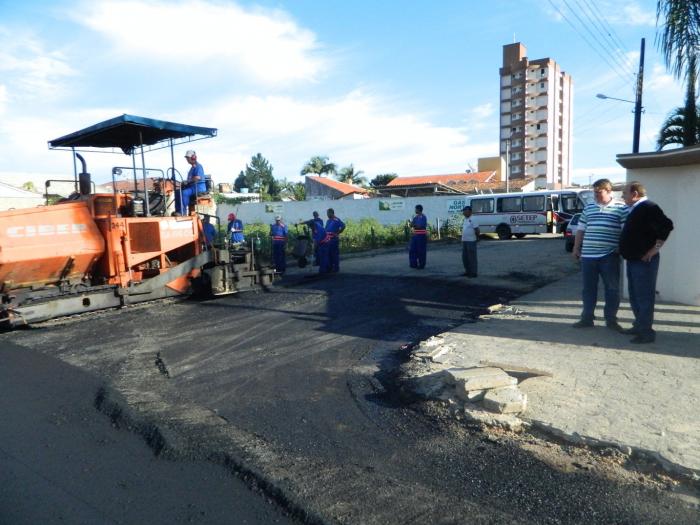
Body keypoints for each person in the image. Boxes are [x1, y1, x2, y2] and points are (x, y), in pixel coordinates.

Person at [619, 182, 674, 344]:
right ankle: (639, 325)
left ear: (635, 194)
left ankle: (647, 333)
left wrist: (654, 249)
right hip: (633, 259)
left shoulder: (649, 207)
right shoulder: (636, 208)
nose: (622, 197)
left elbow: (667, 226)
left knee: (644, 296)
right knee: (635, 295)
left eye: (624, 193)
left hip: (644, 262)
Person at [572, 178, 628, 330]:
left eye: (599, 192)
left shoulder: (620, 208)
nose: (595, 195)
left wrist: (620, 248)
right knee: (588, 289)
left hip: (609, 256)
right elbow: (581, 229)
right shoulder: (589, 207)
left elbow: (626, 231)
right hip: (588, 256)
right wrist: (576, 248)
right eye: (594, 192)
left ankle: (611, 320)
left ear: (609, 191)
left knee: (612, 289)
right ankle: (587, 318)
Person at [175, 150, 208, 216]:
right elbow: (190, 180)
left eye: (188, 158)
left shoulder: (199, 166)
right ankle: (178, 211)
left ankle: (182, 213)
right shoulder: (192, 168)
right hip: (192, 187)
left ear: (193, 157)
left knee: (184, 193)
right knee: (177, 192)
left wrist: (187, 181)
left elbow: (198, 177)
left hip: (198, 187)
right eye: (187, 158)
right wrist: (184, 183)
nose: (187, 159)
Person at [325, 208, 345, 273]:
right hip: (328, 240)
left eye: (328, 213)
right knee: (329, 254)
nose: (327, 214)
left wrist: (338, 232)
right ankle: (330, 267)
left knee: (334, 254)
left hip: (334, 240)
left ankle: (336, 268)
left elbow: (343, 225)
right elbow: (326, 229)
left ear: (331, 213)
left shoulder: (336, 219)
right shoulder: (328, 221)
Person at [461, 206, 479, 277]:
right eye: (463, 211)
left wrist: (477, 237)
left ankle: (473, 273)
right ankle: (467, 271)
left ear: (470, 212)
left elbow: (477, 230)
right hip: (465, 241)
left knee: (472, 257)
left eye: (465, 211)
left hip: (471, 241)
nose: (464, 212)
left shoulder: (473, 219)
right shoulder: (465, 219)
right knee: (465, 257)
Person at [409, 204, 428, 269]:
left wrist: (414, 225)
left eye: (416, 209)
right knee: (413, 250)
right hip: (415, 236)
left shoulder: (423, 217)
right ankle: (413, 264)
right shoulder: (415, 217)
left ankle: (421, 264)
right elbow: (412, 225)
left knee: (421, 251)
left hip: (421, 236)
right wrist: (411, 224)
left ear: (419, 209)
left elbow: (420, 226)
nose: (415, 210)